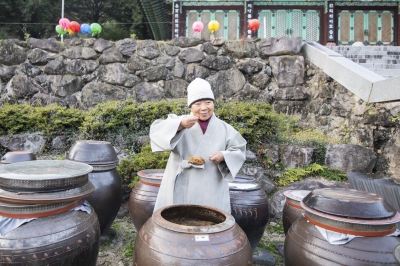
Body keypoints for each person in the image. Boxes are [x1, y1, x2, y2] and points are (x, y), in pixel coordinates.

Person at [149, 78, 247, 213]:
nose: (204, 108)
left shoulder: (224, 128)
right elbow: (156, 132)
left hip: (211, 183)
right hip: (182, 181)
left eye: (208, 102)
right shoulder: (180, 122)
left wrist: (224, 155)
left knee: (212, 220)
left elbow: (239, 149)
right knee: (178, 221)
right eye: (197, 104)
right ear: (190, 106)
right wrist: (180, 125)